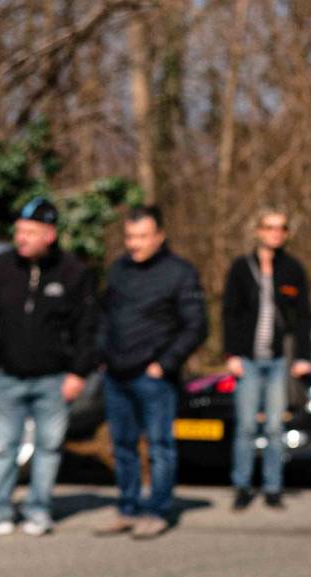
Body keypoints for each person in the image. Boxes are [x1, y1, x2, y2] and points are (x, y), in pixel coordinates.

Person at [0, 197, 99, 537]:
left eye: (31, 232)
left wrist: (79, 372)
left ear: (49, 234)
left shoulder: (73, 273)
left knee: (48, 447)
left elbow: (87, 329)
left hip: (54, 379)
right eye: (19, 230)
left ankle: (39, 510)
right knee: (5, 446)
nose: (21, 238)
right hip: (7, 375)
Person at [96, 205, 205, 539]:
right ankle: (128, 507)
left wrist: (166, 363)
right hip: (116, 373)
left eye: (142, 237)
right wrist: (102, 353)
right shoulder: (119, 270)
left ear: (159, 236)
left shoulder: (180, 273)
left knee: (159, 446)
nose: (135, 244)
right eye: (130, 237)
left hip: (154, 376)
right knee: (123, 444)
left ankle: (157, 509)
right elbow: (104, 315)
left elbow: (196, 326)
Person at [221, 208, 311, 510]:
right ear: (259, 230)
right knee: (246, 426)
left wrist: (302, 357)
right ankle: (242, 485)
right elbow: (229, 313)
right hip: (246, 359)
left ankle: (273, 487)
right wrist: (231, 354)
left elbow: (303, 317)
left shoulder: (293, 269)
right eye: (270, 227)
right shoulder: (240, 268)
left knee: (275, 427)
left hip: (277, 361)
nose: (276, 233)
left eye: (281, 228)